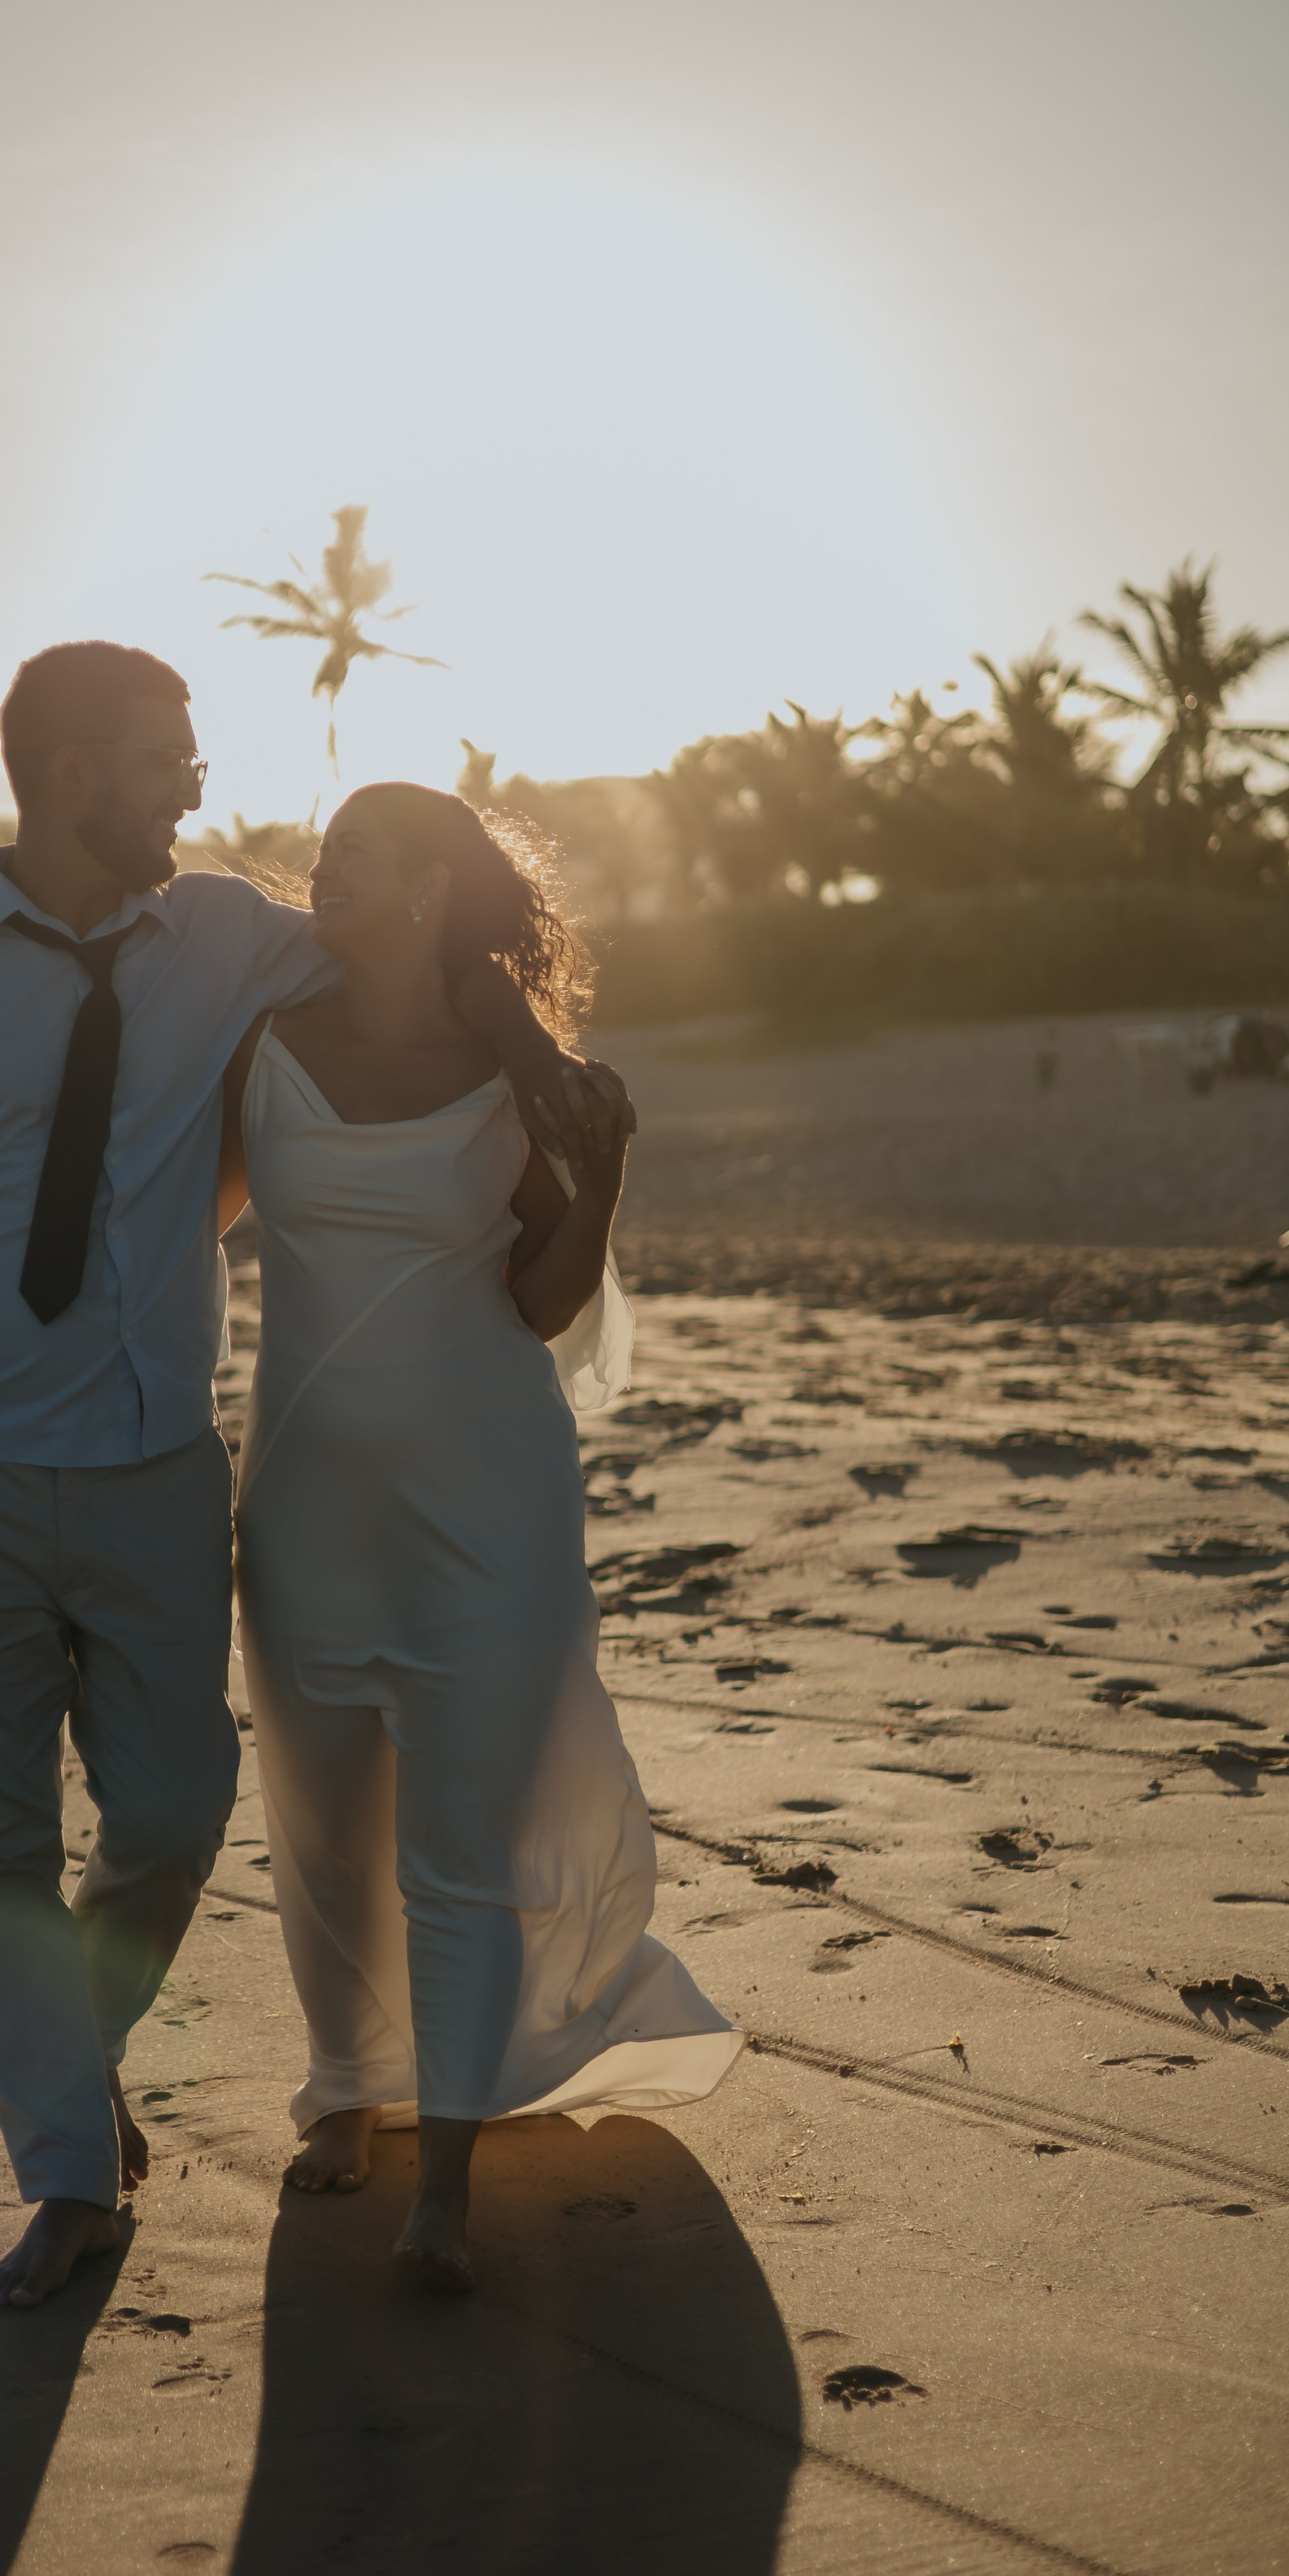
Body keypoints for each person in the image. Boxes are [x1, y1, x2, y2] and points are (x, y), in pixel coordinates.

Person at [0, 642, 615, 2308]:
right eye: (165, 762)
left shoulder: (224, 937)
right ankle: (70, 2178)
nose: (196, 791)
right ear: (69, 773)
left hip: (149, 1467)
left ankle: (65, 2072)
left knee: (174, 1804)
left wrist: (541, 1062)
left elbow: (432, 943)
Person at [220, 784, 739, 2292]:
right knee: (326, 1832)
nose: (324, 872)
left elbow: (546, 1298)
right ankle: (347, 2086)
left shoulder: (509, 1078)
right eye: (323, 852)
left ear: (436, 889)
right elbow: (170, 1223)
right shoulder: (264, 1051)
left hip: (489, 1502)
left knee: (456, 1843)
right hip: (308, 1502)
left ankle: (440, 2174)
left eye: (358, 856)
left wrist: (609, 1170)